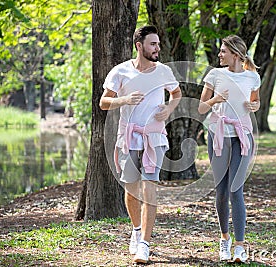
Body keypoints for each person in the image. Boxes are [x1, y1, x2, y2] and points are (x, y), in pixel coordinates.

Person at [99, 25, 181, 264]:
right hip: (129, 138)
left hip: (154, 138)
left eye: (157, 44)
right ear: (139, 45)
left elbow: (176, 94)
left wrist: (169, 108)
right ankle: (136, 230)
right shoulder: (121, 71)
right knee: (131, 190)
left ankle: (144, 243)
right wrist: (124, 99)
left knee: (149, 189)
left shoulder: (164, 71)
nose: (157, 48)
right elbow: (104, 102)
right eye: (153, 44)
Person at [198, 35, 261, 263]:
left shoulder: (252, 77)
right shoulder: (215, 75)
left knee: (236, 189)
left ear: (235, 54)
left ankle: (240, 246)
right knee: (222, 190)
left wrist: (254, 105)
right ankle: (224, 239)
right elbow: (201, 107)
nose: (219, 54)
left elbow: (256, 102)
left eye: (223, 51)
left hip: (242, 137)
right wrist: (215, 100)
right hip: (219, 135)